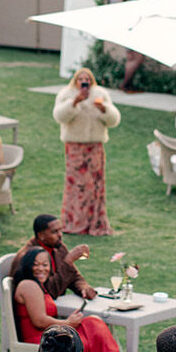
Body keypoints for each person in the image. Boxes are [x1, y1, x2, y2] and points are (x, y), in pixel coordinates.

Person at [52, 67, 120, 236]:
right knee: (77, 184)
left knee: (95, 184)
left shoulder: (100, 93)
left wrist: (103, 109)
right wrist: (74, 102)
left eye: (87, 79)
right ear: (75, 80)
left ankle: (96, 222)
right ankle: (74, 221)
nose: (85, 82)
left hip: (95, 145)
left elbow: (114, 119)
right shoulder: (66, 94)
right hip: (75, 146)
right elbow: (59, 116)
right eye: (81, 79)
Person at [10, 214, 97, 301]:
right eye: (54, 232)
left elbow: (73, 276)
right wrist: (68, 261)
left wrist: (84, 288)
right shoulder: (30, 258)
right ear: (41, 235)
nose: (60, 235)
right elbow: (49, 292)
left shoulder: (58, 247)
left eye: (60, 230)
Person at [117, 0, 147, 92]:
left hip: (137, 34)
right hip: (131, 34)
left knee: (135, 59)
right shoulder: (130, 1)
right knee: (135, 59)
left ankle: (128, 84)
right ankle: (125, 84)